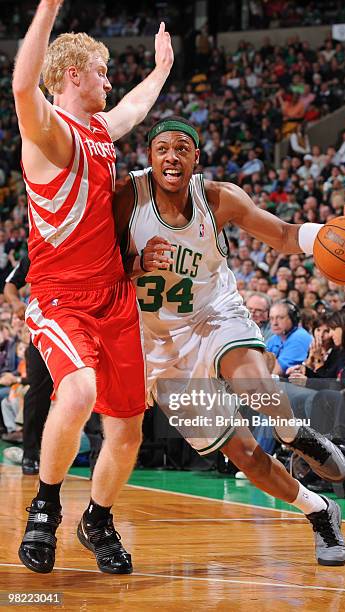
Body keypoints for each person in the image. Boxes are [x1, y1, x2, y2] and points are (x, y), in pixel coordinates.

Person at [114, 117, 345, 566]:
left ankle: (293, 432)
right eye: (163, 148)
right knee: (243, 454)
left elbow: (280, 234)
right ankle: (320, 511)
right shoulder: (127, 198)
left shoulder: (218, 198)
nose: (172, 157)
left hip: (213, 315)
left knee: (257, 387)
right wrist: (135, 262)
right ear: (149, 157)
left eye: (183, 148)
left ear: (196, 158)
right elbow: (99, 268)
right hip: (157, 347)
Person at [13, 0, 173, 575]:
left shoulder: (100, 133)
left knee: (128, 429)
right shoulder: (49, 134)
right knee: (77, 394)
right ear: (74, 75)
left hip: (115, 297)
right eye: (103, 71)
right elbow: (23, 84)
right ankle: (45, 508)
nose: (111, 81)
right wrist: (50, 8)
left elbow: (133, 107)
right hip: (62, 300)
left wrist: (159, 73)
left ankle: (97, 518)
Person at [3, 256, 53, 474]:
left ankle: (95, 456)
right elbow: (10, 285)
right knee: (38, 390)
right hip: (43, 328)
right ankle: (31, 454)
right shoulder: (37, 250)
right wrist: (15, 304)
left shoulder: (87, 242)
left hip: (80, 324)